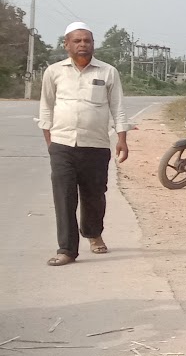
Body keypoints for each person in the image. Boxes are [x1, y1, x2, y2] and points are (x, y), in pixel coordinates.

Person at [38, 23, 131, 267]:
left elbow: (117, 107)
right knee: (64, 196)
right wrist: (51, 142)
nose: (82, 45)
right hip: (62, 144)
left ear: (93, 44)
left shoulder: (108, 72)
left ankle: (92, 232)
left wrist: (122, 138)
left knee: (94, 196)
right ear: (66, 44)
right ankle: (66, 249)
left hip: (96, 145)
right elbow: (46, 107)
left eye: (87, 41)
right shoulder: (54, 72)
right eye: (77, 41)